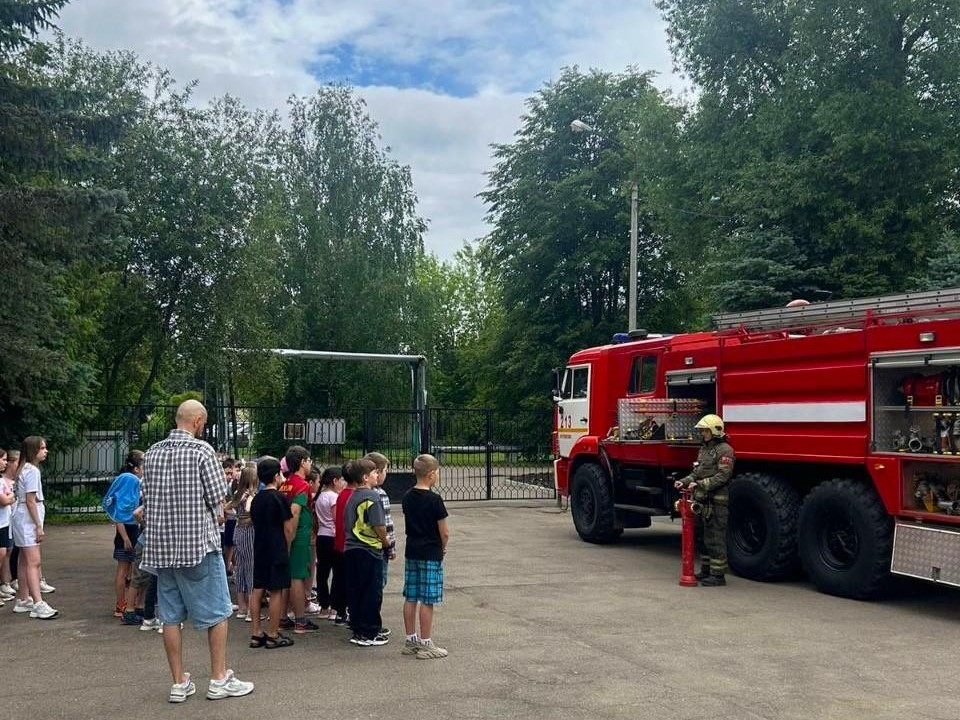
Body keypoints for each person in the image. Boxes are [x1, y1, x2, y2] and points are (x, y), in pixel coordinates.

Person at [142, 399, 253, 703]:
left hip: (162, 548)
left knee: (170, 618)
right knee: (217, 612)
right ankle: (218, 678)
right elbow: (219, 495)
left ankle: (179, 683)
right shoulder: (202, 450)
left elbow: (147, 496)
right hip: (198, 545)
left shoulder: (151, 453)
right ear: (198, 421)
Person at [673, 414, 735, 587]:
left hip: (716, 502)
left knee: (716, 538)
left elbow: (723, 476)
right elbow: (697, 472)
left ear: (714, 431)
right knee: (704, 538)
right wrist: (684, 481)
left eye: (705, 431)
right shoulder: (704, 450)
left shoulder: (725, 450)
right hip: (702, 502)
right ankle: (706, 571)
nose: (703, 434)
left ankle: (718, 575)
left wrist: (698, 484)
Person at [401, 454, 449, 659]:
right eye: (437, 472)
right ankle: (426, 642)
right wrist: (443, 546)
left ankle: (410, 639)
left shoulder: (407, 496)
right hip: (430, 551)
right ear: (430, 475)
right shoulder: (435, 500)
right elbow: (444, 531)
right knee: (427, 599)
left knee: (411, 595)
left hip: (412, 549)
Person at [248, 457, 295, 649]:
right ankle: (273, 633)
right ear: (276, 476)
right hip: (277, 548)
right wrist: (288, 546)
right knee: (276, 590)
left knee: (257, 588)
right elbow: (288, 528)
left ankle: (256, 632)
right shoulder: (279, 498)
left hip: (260, 547)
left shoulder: (257, 498)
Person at [343, 457, 389, 647]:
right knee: (372, 592)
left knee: (356, 590)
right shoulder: (373, 497)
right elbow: (379, 525)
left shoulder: (352, 496)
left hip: (351, 548)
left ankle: (357, 628)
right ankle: (370, 631)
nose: (377, 475)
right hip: (369, 549)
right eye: (374, 473)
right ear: (365, 477)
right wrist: (386, 541)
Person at [10, 436, 58, 619]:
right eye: (42, 448)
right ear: (33, 450)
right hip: (27, 520)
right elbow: (31, 501)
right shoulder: (32, 471)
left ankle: (23, 598)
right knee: (33, 561)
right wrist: (38, 526)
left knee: (24, 560)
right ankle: (38, 603)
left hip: (22, 518)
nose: (45, 451)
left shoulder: (25, 468)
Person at [278, 445, 318, 634]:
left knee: (288, 576)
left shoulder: (285, 484)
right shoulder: (301, 485)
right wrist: (290, 539)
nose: (310, 464)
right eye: (309, 461)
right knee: (297, 577)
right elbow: (294, 513)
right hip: (298, 536)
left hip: (287, 535)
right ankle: (300, 620)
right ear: (302, 462)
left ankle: (283, 617)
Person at [102, 449, 145, 619]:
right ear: (136, 468)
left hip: (128, 528)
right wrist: (126, 537)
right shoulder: (131, 479)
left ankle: (124, 603)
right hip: (128, 529)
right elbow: (121, 511)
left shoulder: (127, 478)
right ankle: (121, 605)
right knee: (124, 569)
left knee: (126, 569)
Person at [363, 452, 396, 589]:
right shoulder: (380, 494)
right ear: (377, 473)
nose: (385, 474)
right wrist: (390, 546)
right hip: (378, 546)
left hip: (360, 544)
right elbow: (385, 524)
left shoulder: (356, 492)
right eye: (385, 471)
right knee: (378, 582)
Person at [314, 466, 342, 619]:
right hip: (333, 536)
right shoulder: (333, 497)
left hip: (322, 536)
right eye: (341, 480)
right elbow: (337, 520)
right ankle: (335, 607)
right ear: (335, 481)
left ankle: (323, 605)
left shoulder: (320, 496)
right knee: (337, 572)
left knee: (322, 573)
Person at [232, 465, 259, 620]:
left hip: (238, 531)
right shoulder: (251, 495)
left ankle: (242, 607)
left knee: (240, 568)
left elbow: (229, 507)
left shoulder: (237, 493)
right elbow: (250, 509)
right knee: (250, 569)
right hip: (249, 533)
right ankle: (251, 609)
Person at [0, 449, 19, 599]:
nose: (5, 463)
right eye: (3, 459)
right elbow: (6, 500)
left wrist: (9, 497)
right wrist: (11, 496)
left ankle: (5, 584)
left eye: (6, 460)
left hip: (5, 522)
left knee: (6, 552)